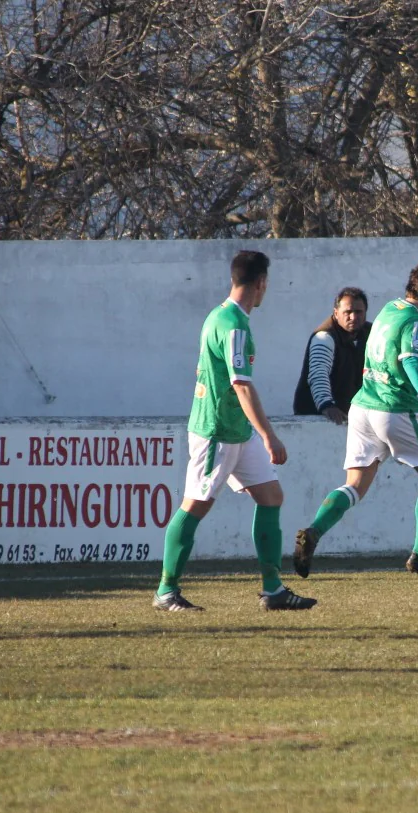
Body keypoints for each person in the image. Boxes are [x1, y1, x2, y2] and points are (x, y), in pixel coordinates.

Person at [293, 261, 418, 579]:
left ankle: (314, 531)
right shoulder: (417, 321)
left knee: (354, 485)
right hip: (396, 410)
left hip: (362, 408)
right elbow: (410, 358)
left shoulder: (392, 309)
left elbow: (404, 341)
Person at [153, 250, 316, 613]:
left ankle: (273, 590)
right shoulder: (234, 326)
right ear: (261, 284)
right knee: (195, 505)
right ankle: (166, 591)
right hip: (217, 431)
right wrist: (270, 436)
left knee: (271, 496)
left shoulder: (221, 315)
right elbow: (241, 385)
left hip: (237, 430)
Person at [293, 287, 372, 424]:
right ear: (336, 313)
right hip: (316, 416)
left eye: (358, 312)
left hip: (352, 416)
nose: (353, 317)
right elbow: (318, 372)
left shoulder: (372, 333)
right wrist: (327, 405)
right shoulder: (324, 337)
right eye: (348, 312)